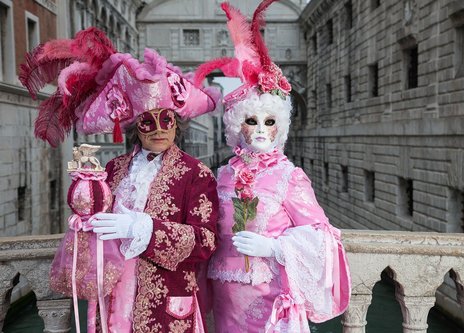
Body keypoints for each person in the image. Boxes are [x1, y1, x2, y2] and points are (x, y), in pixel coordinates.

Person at [20, 27, 220, 333]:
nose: (158, 129)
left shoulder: (196, 174)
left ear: (176, 124)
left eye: (166, 119)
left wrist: (142, 229)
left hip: (165, 306)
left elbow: (205, 242)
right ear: (135, 128)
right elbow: (92, 221)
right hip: (112, 301)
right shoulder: (113, 169)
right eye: (147, 121)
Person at [194, 1, 351, 332]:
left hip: (269, 295)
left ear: (280, 126)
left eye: (269, 121)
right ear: (238, 126)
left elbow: (323, 235)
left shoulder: (289, 176)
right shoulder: (222, 175)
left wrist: (277, 247)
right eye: (252, 121)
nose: (262, 129)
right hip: (224, 295)